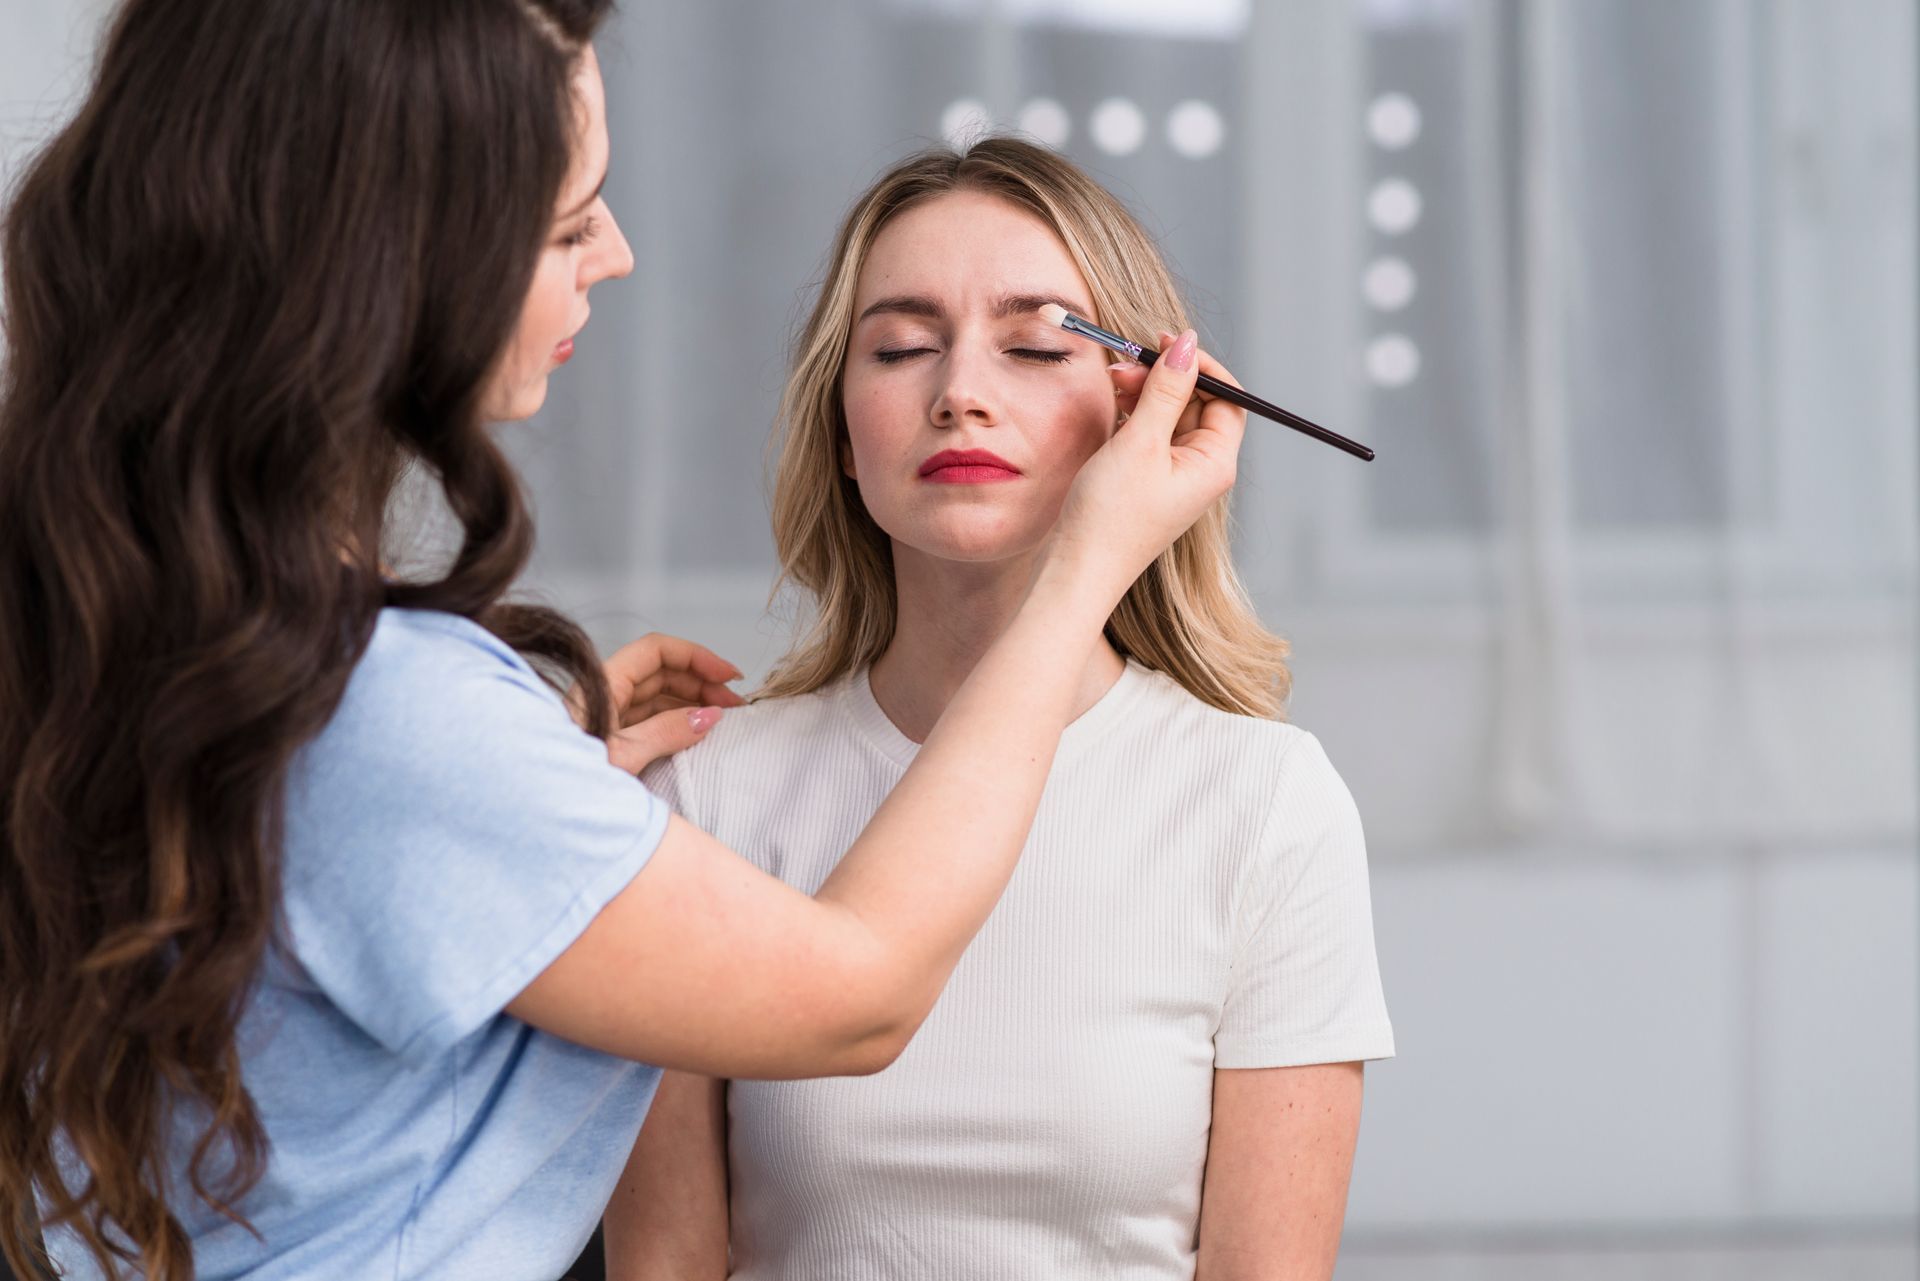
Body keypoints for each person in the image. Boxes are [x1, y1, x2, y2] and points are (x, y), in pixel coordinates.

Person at [0, 5, 1241, 1278]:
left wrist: (520, 784)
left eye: (1038, 344)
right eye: (567, 220)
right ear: (400, 261)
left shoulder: (194, 651)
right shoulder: (456, 733)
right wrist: (1087, 564)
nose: (619, 253)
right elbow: (859, 992)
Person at [603, 137, 1394, 1281]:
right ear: (841, 429)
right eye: (902, 347)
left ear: (1150, 414)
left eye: (1032, 344)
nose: (959, 392)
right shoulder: (706, 794)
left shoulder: (1265, 806)